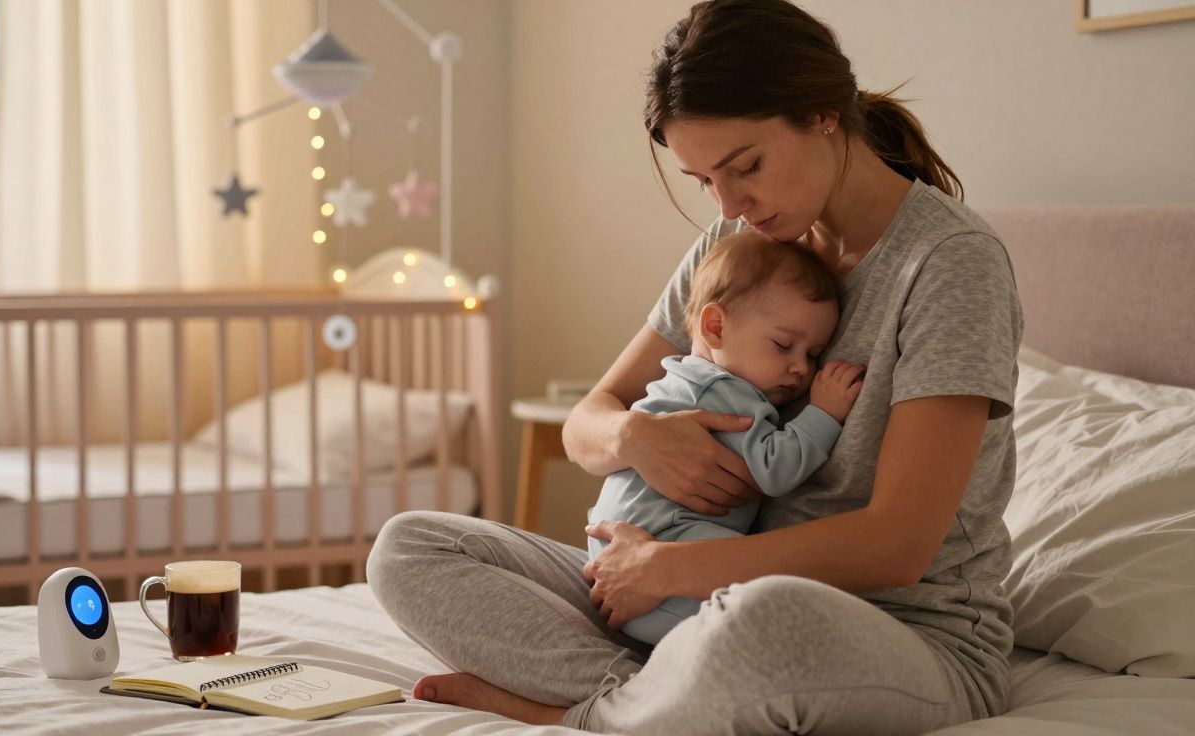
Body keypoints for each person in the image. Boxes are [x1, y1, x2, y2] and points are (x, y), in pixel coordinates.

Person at [366, 0, 1023, 732]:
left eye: (746, 167)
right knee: (410, 547)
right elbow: (589, 420)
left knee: (764, 620)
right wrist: (635, 440)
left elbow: (897, 546)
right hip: (694, 597)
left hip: (892, 633)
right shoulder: (742, 243)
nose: (730, 202)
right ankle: (642, 693)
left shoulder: (950, 264)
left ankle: (582, 711)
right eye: (703, 179)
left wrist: (667, 572)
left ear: (822, 114)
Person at [587, 233, 864, 645]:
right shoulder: (723, 393)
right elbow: (773, 470)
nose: (801, 369)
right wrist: (824, 414)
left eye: (812, 354)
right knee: (781, 604)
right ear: (715, 327)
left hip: (620, 568)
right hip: (663, 561)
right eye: (783, 345)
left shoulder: (680, 381)